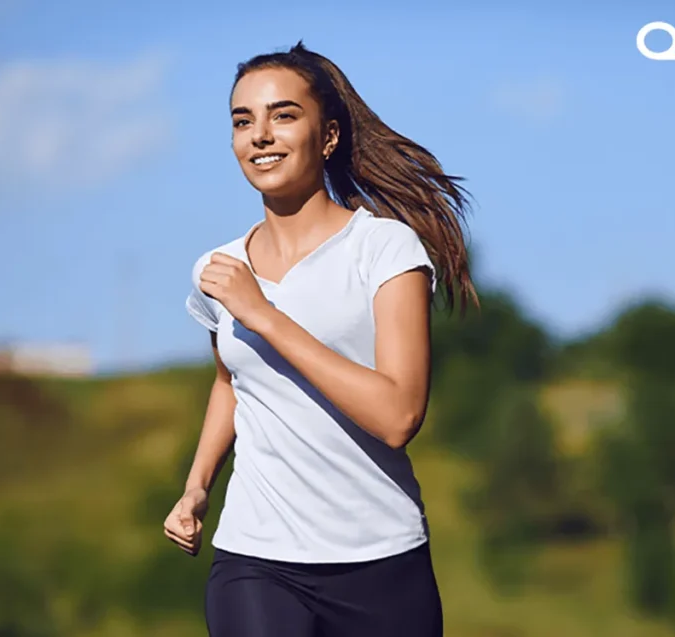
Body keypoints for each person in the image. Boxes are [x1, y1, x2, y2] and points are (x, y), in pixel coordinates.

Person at [163, 40, 477, 637]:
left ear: (328, 137)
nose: (260, 135)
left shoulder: (385, 250)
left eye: (283, 115)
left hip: (380, 562)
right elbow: (231, 381)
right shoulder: (219, 269)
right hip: (256, 555)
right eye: (242, 120)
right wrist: (197, 485)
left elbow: (398, 414)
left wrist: (267, 315)